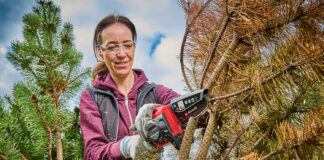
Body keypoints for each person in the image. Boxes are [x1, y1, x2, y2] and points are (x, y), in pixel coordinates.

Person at [79, 14, 180, 160]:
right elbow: (92, 153)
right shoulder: (92, 97)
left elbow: (194, 111)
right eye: (113, 47)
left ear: (134, 47)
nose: (122, 54)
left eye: (127, 45)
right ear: (101, 51)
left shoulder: (154, 92)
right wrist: (125, 146)